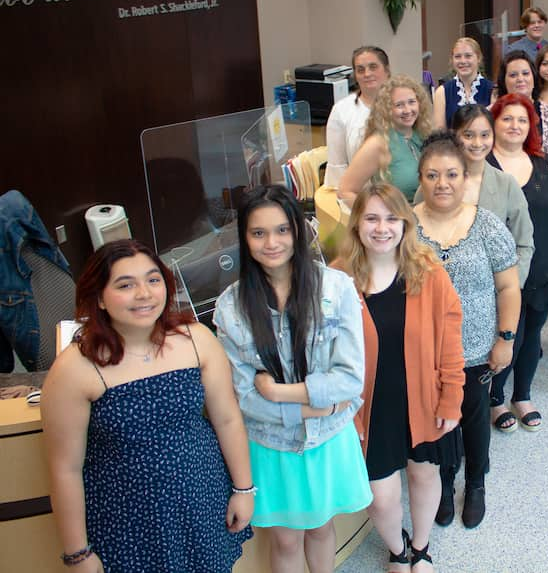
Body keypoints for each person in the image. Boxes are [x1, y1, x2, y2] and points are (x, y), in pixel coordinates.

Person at [42, 239, 253, 573]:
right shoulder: (74, 369)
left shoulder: (195, 338)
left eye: (153, 280)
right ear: (99, 297)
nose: (144, 293)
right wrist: (77, 552)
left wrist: (243, 489)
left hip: (202, 499)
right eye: (126, 285)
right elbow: (65, 470)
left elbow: (227, 418)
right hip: (127, 521)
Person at [214, 186, 371, 573]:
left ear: (299, 231)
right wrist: (315, 405)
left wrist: (282, 392)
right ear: (244, 238)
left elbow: (350, 380)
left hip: (329, 436)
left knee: (321, 528)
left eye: (282, 230)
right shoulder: (230, 306)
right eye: (259, 233)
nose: (272, 243)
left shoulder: (336, 288)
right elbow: (245, 398)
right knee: (284, 538)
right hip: (271, 443)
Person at [335, 181, 465, 573]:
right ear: (357, 224)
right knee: (380, 496)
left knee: (425, 475)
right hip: (368, 409)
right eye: (371, 218)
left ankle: (422, 548)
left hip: (422, 399)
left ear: (406, 224)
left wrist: (452, 398)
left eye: (392, 218)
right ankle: (398, 548)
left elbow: (450, 341)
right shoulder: (338, 279)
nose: (382, 228)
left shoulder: (427, 271)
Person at [413, 133, 521, 529]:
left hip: (475, 351)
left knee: (474, 419)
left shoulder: (486, 224)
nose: (443, 183)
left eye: (452, 174)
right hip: (424, 353)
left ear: (465, 177)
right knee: (435, 422)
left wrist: (505, 340)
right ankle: (442, 484)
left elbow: (509, 287)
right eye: (433, 174)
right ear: (421, 179)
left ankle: (475, 484)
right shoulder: (406, 227)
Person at [487, 93, 548, 431]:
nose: (514, 125)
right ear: (494, 123)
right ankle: (495, 399)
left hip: (544, 265)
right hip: (497, 273)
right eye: (507, 118)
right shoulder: (480, 166)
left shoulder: (546, 165)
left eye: (522, 120)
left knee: (532, 335)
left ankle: (522, 394)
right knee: (505, 334)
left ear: (531, 127)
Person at [418, 104, 534, 286]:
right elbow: (416, 232)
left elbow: (524, 243)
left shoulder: (506, 184)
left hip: (492, 290)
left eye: (485, 135)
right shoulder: (434, 182)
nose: (477, 143)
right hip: (436, 286)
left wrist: (509, 287)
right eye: (468, 135)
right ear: (454, 135)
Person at [338, 74, 434, 205]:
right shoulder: (378, 144)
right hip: (399, 219)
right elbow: (345, 192)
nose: (407, 110)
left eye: (411, 102)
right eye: (399, 105)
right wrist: (379, 213)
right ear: (387, 109)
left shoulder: (424, 134)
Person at [325, 47, 390, 187]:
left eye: (373, 67)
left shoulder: (403, 106)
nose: (367, 74)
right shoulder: (341, 111)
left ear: (387, 70)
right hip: (360, 198)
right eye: (360, 70)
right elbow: (338, 166)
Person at [495, 50, 548, 162]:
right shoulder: (491, 114)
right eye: (513, 75)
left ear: (534, 77)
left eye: (525, 73)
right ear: (503, 81)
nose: (520, 79)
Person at [432, 37, 494, 130]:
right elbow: (440, 133)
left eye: (468, 56)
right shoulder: (442, 92)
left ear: (479, 58)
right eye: (458, 56)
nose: (463, 61)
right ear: (452, 60)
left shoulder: (492, 90)